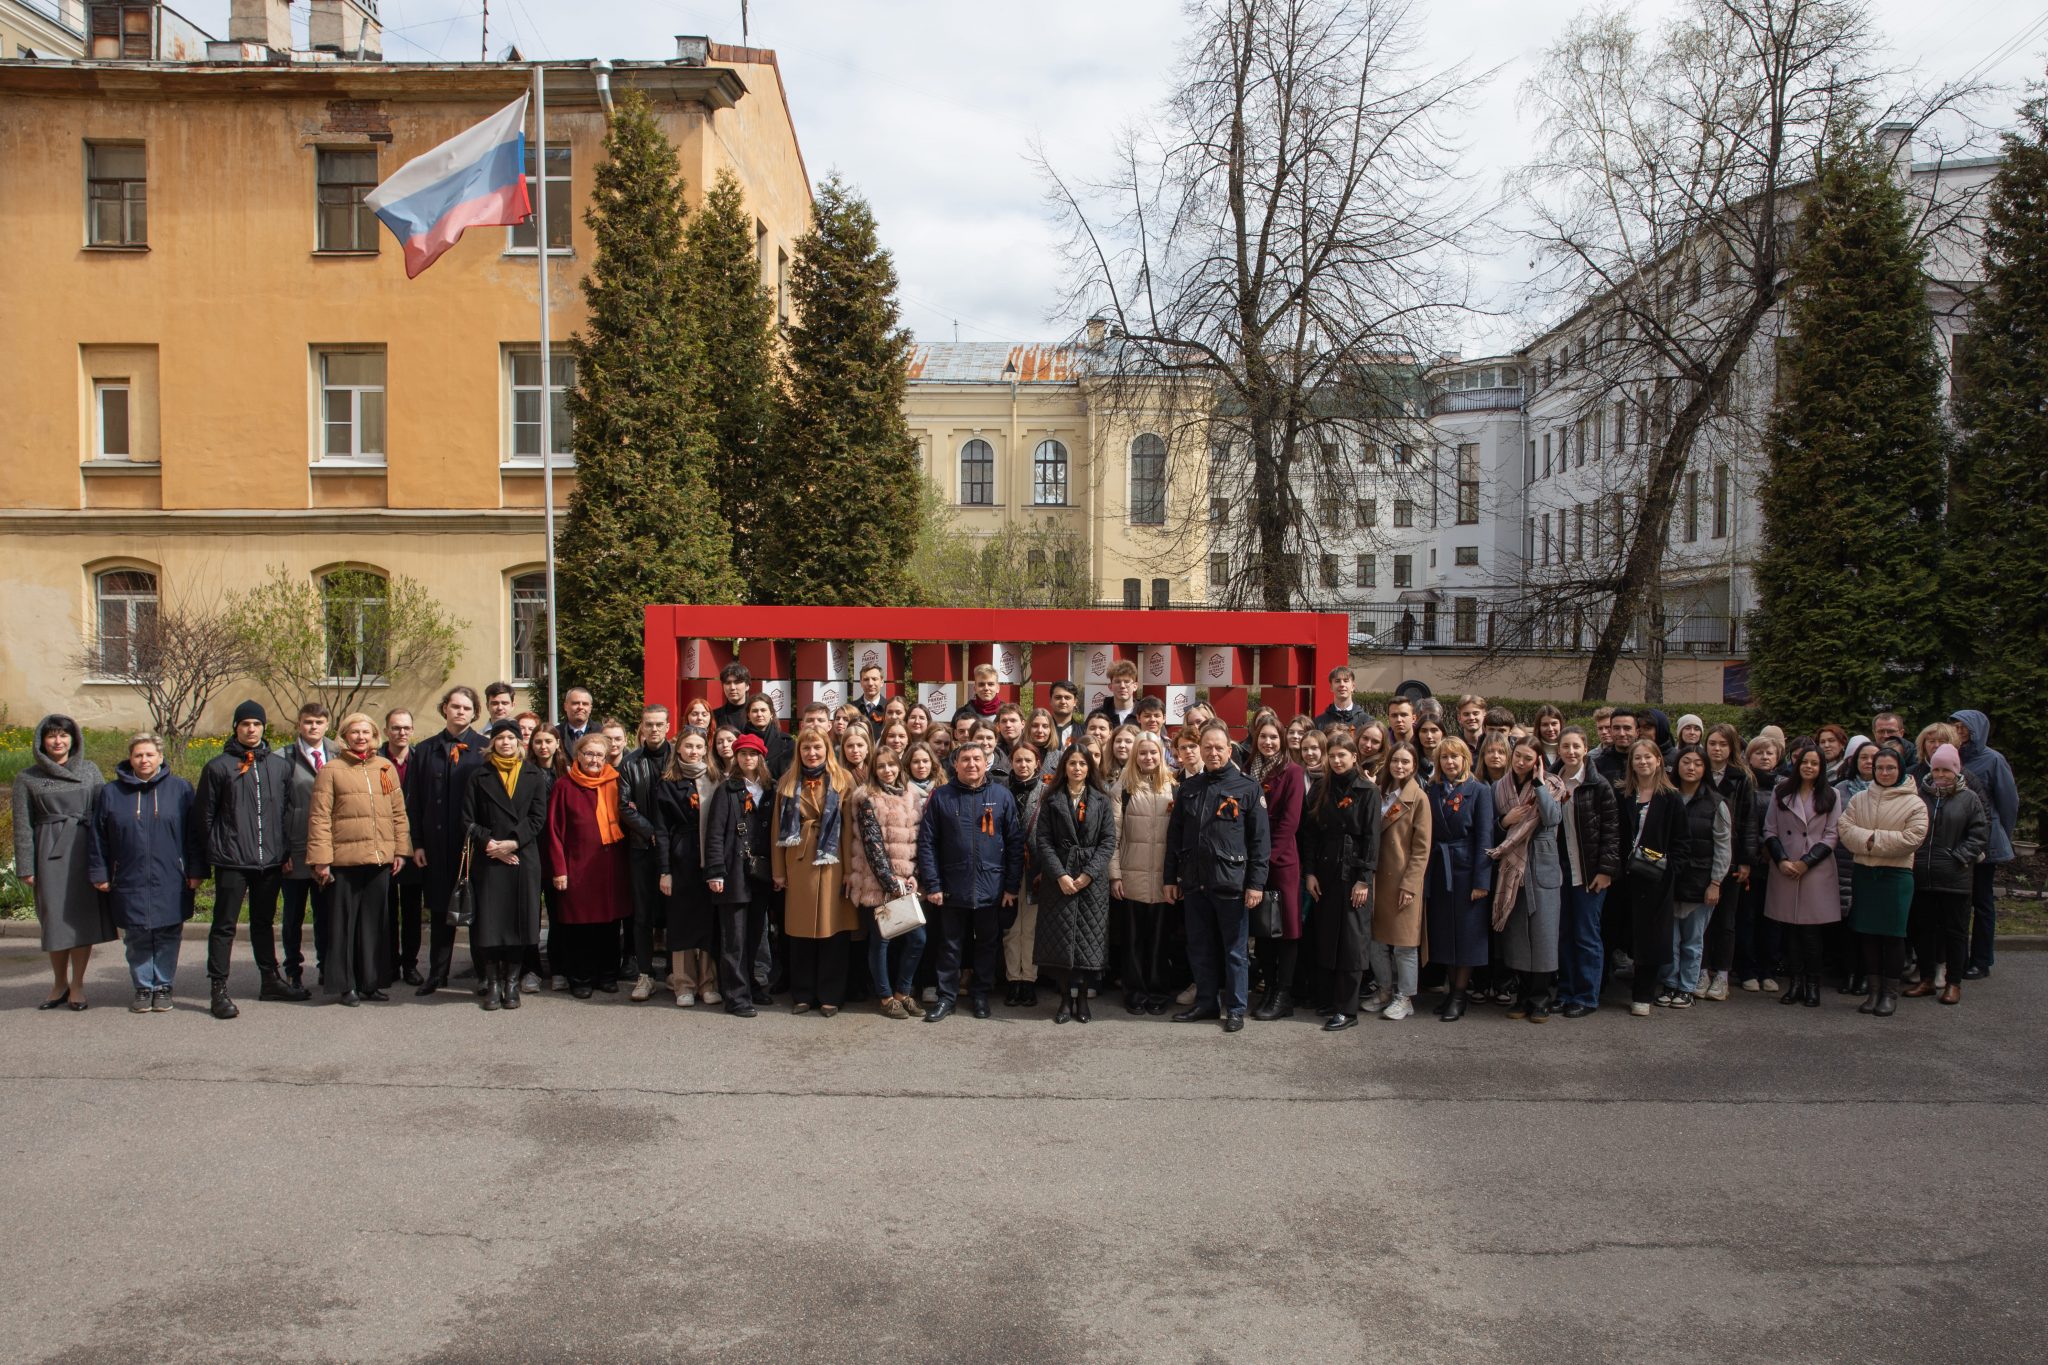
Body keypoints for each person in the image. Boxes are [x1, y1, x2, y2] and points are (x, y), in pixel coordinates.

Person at [1166, 721, 1272, 1033]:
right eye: (1207, 747)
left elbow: (1259, 841)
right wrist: (1170, 878)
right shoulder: (1189, 788)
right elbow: (1175, 837)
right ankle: (1206, 1003)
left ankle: (1236, 1008)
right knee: (1199, 947)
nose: (1212, 753)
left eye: (1218, 747)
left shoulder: (1248, 788)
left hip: (1232, 884)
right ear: (1199, 750)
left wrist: (1256, 884)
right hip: (1195, 882)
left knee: (1236, 951)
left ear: (1230, 750)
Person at [192, 700, 292, 1019]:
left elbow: (286, 813)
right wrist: (210, 854)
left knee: (263, 923)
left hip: (269, 861)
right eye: (245, 723)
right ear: (235, 727)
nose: (251, 729)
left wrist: (285, 851)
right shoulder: (218, 767)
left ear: (264, 728)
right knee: (225, 926)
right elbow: (204, 817)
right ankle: (218, 988)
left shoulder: (278, 767)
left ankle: (270, 980)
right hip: (232, 859)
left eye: (257, 724)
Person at [305, 713, 411, 1006]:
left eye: (366, 732)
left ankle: (370, 982)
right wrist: (321, 859)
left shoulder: (385, 768)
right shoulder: (332, 770)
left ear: (375, 736)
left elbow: (398, 813)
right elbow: (319, 817)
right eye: (355, 732)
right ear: (345, 736)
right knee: (344, 926)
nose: (361, 737)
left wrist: (401, 850)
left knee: (373, 924)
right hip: (344, 861)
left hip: (379, 860)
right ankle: (346, 984)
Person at [915, 737, 1022, 1022]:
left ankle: (980, 995)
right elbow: (927, 843)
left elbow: (1014, 843)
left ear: (986, 763)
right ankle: (946, 997)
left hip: (992, 887)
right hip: (952, 888)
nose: (971, 764)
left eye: (977, 759)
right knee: (949, 945)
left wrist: (1011, 886)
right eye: (965, 759)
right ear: (955, 764)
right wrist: (934, 885)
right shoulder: (941, 796)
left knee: (987, 944)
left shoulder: (1002, 796)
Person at [88, 733, 197, 1014]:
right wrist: (100, 872)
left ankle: (162, 986)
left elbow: (194, 835)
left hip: (171, 875)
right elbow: (98, 836)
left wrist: (195, 869)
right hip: (128, 876)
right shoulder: (111, 793)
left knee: (167, 933)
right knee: (136, 935)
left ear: (160, 757)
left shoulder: (181, 790)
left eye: (150, 754)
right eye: (138, 755)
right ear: (130, 758)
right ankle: (142, 986)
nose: (144, 760)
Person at [14, 714, 112, 1011]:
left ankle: (78, 984)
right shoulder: (26, 777)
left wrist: (108, 859)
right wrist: (26, 866)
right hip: (49, 853)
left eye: (64, 735)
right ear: (41, 741)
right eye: (52, 736)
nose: (58, 741)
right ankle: (59, 982)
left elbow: (105, 815)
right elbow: (22, 825)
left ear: (74, 739)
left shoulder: (90, 770)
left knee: (81, 920)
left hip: (86, 851)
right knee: (54, 920)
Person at [454, 718, 545, 1012]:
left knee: (519, 923)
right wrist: (491, 844)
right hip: (489, 859)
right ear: (492, 743)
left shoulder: (534, 775)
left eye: (511, 738)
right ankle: (492, 982)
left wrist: (513, 842)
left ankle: (512, 983)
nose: (506, 742)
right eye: (500, 738)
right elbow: (467, 819)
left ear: (520, 743)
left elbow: (537, 817)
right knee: (490, 925)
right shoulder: (479, 776)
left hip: (522, 857)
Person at [406, 687, 487, 997]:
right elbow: (415, 802)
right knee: (440, 912)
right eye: (455, 706)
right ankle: (437, 975)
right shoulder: (425, 750)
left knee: (476, 912)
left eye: (466, 708)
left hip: (472, 845)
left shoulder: (484, 748)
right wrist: (418, 843)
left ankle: (483, 974)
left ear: (475, 713)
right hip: (436, 845)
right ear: (445, 709)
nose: (460, 712)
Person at [1838, 746, 1929, 1018]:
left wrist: (1869, 839)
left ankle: (1889, 994)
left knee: (1892, 936)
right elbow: (1845, 830)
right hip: (1865, 874)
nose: (1885, 772)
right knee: (1867, 934)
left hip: (1895, 876)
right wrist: (1877, 840)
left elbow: (1912, 840)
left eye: (1890, 768)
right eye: (1880, 768)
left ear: (1900, 769)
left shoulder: (1914, 803)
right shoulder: (1859, 799)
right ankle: (1873, 990)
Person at [773, 729, 856, 1016]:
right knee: (800, 933)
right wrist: (778, 871)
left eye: (817, 747)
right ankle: (803, 993)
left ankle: (831, 994)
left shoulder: (844, 780)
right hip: (799, 862)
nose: (812, 752)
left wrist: (849, 870)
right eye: (806, 747)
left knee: (833, 932)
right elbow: (776, 830)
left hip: (834, 862)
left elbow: (849, 829)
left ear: (827, 749)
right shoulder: (787, 782)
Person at [1033, 745, 1118, 1024]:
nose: (1077, 768)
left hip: (1091, 880)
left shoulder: (1101, 799)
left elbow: (1108, 842)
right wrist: (1060, 875)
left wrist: (1089, 874)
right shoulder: (1052, 797)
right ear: (1064, 767)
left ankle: (1082, 998)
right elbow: (1042, 840)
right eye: (1072, 763)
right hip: (1059, 878)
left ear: (1089, 768)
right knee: (1061, 941)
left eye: (1082, 764)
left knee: (1088, 942)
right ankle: (1064, 1000)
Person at [843, 746, 928, 1019]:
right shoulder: (867, 798)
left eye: (891, 765)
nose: (887, 770)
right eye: (881, 766)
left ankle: (903, 992)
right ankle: (885, 997)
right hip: (877, 883)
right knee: (881, 942)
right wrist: (890, 882)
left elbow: (916, 840)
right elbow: (872, 845)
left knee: (917, 939)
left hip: (906, 882)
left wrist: (915, 875)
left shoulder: (909, 796)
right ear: (873, 770)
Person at [1303, 735, 1380, 1030]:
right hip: (1325, 871)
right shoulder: (1322, 788)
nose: (1336, 761)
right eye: (1332, 755)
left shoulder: (1368, 790)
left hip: (1354, 872)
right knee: (1327, 937)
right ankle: (1329, 999)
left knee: (1352, 941)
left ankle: (1347, 1010)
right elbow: (1310, 834)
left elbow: (1372, 838)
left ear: (1353, 757)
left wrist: (1364, 880)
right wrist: (1309, 872)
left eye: (1342, 756)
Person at [546, 733, 632, 997]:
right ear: (578, 756)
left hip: (611, 867)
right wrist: (559, 869)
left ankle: (607, 975)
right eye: (589, 754)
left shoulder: (617, 782)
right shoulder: (564, 786)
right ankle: (580, 978)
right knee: (579, 927)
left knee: (608, 925)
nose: (594, 760)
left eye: (600, 755)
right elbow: (554, 831)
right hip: (578, 868)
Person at [1905, 744, 1988, 1006]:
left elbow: (1979, 834)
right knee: (1924, 930)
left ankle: (1953, 982)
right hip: (1922, 875)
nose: (1940, 774)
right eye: (1936, 768)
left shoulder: (1969, 798)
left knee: (1956, 932)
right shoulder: (1919, 794)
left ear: (1956, 770)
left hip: (1955, 877)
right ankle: (1927, 979)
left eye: (1946, 769)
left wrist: (1959, 857)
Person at [1485, 737, 1561, 1022]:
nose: (1520, 762)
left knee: (1542, 935)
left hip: (1540, 861)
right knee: (1516, 936)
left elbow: (1552, 818)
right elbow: (1491, 827)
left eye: (1528, 758)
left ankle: (1540, 999)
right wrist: (1505, 821)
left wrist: (1540, 783)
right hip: (1510, 865)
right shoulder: (1499, 786)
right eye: (1517, 756)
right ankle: (1521, 995)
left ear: (1538, 761)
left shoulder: (1552, 783)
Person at [703, 732, 776, 1016]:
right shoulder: (727, 790)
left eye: (753, 754)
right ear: (736, 757)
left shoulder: (769, 789)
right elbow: (715, 833)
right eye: (743, 753)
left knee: (756, 935)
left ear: (761, 758)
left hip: (760, 873)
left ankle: (752, 986)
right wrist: (715, 872)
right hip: (733, 871)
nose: (748, 758)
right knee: (733, 937)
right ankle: (735, 996)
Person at [1764, 742, 1841, 1009]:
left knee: (1810, 934)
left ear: (1821, 768)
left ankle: (1812, 985)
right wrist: (1783, 860)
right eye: (1804, 762)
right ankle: (1794, 983)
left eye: (1815, 763)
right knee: (1789, 931)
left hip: (1815, 870)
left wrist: (1806, 863)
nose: (1809, 767)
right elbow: (1770, 830)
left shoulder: (1831, 795)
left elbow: (1832, 835)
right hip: (1785, 867)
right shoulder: (1780, 792)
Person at [1421, 737, 1493, 1022]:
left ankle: (1460, 994)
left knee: (1466, 935)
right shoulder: (1433, 790)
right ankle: (1450, 991)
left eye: (1455, 757)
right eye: (1444, 758)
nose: (1450, 762)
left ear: (1466, 759)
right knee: (1445, 934)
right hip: (1440, 868)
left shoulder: (1479, 791)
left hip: (1466, 869)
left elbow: (1486, 837)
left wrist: (1481, 881)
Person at [1616, 739, 1688, 1018]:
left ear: (1659, 760)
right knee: (1621, 933)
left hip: (1656, 880)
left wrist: (1669, 870)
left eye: (1648, 757)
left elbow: (1682, 842)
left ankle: (1643, 994)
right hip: (1624, 878)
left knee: (1651, 939)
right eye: (1637, 758)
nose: (1643, 762)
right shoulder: (1623, 794)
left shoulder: (1671, 798)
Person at [1109, 733, 1178, 1015]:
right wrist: (1115, 875)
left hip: (1164, 879)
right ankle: (1135, 992)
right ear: (1134, 755)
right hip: (1131, 876)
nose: (1148, 758)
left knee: (1161, 941)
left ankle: (1159, 991)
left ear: (1161, 755)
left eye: (1153, 753)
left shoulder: (1174, 787)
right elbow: (1112, 837)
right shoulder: (1122, 788)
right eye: (1142, 753)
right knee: (1134, 941)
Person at [652, 728, 721, 1008]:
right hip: (680, 858)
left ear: (706, 749)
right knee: (681, 924)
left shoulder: (715, 779)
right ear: (678, 749)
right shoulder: (668, 783)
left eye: (698, 746)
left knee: (707, 923)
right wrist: (665, 870)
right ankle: (683, 983)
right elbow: (662, 830)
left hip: (709, 859)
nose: (693, 751)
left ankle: (707, 983)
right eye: (688, 746)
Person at [1658, 745, 1731, 1009]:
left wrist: (1715, 883)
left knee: (1693, 940)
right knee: (1670, 939)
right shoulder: (1666, 796)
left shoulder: (1716, 803)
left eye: (1697, 764)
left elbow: (1723, 847)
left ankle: (1687, 987)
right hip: (1669, 878)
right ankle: (1669, 983)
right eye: (1686, 762)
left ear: (1705, 769)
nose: (1691, 768)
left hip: (1700, 882)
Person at [1553, 726, 1618, 1018]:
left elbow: (1612, 833)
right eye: (1565, 747)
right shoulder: (1551, 781)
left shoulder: (1598, 784)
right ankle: (1566, 992)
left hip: (1588, 871)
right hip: (1558, 871)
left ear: (1585, 748)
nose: (1570, 752)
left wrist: (1605, 871)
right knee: (1563, 934)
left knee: (1586, 935)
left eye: (1576, 747)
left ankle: (1587, 996)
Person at [1948, 709, 2017, 979]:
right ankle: (1958, 957)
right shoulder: (1951, 756)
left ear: (1975, 730)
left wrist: (2001, 835)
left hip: (1986, 841)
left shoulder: (1993, 760)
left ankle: (1981, 959)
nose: (1958, 730)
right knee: (1959, 902)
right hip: (1957, 839)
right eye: (1954, 725)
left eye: (1963, 727)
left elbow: (2008, 802)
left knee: (1983, 901)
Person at [1245, 716, 1304, 1020]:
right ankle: (1268, 990)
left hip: (1280, 862)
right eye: (1263, 737)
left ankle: (1283, 993)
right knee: (1264, 930)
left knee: (1287, 930)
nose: (1268, 742)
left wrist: (1264, 860)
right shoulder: (1248, 771)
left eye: (1274, 737)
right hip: (1255, 862)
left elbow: (1289, 822)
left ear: (1282, 740)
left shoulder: (1292, 772)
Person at [279, 702, 337, 993]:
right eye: (307, 722)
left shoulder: (339, 754)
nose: (313, 727)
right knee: (293, 916)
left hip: (327, 850)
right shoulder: (283, 758)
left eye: (318, 722)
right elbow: (278, 808)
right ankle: (292, 969)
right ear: (299, 725)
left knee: (325, 914)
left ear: (327, 724)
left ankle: (326, 966)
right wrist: (283, 850)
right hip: (296, 850)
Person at [617, 705, 673, 1002]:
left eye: (659, 724)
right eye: (649, 724)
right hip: (642, 846)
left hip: (674, 848)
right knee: (642, 914)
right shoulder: (630, 762)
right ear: (642, 727)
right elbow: (624, 806)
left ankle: (676, 972)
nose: (654, 730)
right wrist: (651, 832)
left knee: (674, 911)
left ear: (668, 726)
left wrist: (666, 837)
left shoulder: (678, 756)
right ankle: (646, 974)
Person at [1697, 723, 1755, 1002]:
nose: (1716, 749)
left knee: (1726, 920)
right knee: (1701, 919)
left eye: (1722, 744)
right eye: (1712, 744)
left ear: (1732, 748)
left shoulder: (1742, 778)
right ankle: (1701, 970)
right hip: (1701, 857)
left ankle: (1722, 974)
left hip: (1730, 858)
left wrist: (1745, 861)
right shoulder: (1699, 772)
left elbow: (1749, 821)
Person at [380, 708, 426, 988]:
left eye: (406, 728)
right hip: (383, 843)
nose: (401, 732)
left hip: (413, 844)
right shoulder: (374, 760)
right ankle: (388, 963)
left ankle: (410, 963)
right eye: (396, 728)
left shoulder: (421, 759)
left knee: (412, 910)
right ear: (386, 731)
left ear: (412, 730)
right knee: (385, 909)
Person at [1001, 740, 1045, 1007]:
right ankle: (1012, 979)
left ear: (1037, 762)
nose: (1023, 765)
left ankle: (1028, 979)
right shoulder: (1000, 790)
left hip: (1036, 868)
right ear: (1011, 762)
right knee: (1010, 928)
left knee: (1030, 928)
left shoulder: (1047, 792)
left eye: (1028, 760)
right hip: (1006, 869)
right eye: (1018, 760)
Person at [742, 693, 793, 777]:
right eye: (755, 711)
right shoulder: (740, 741)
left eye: (763, 710)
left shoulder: (787, 742)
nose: (759, 714)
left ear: (771, 714)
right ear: (748, 715)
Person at [1088, 661, 1140, 728]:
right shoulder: (1097, 714)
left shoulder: (1144, 714)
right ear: (1110, 687)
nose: (1122, 686)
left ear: (1135, 686)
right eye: (1117, 682)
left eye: (1127, 682)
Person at [1317, 666, 1368, 731]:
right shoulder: (1319, 723)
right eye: (1337, 681)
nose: (1342, 684)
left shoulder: (1367, 722)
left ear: (1353, 686)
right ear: (1331, 687)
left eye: (1346, 681)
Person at [711, 665, 752, 734]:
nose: (732, 687)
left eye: (737, 682)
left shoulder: (758, 713)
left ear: (747, 686)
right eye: (728, 683)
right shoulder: (714, 716)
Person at [558, 686, 597, 754]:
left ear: (590, 708)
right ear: (565, 706)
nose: (580, 707)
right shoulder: (556, 734)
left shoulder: (600, 732)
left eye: (585, 704)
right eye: (575, 703)